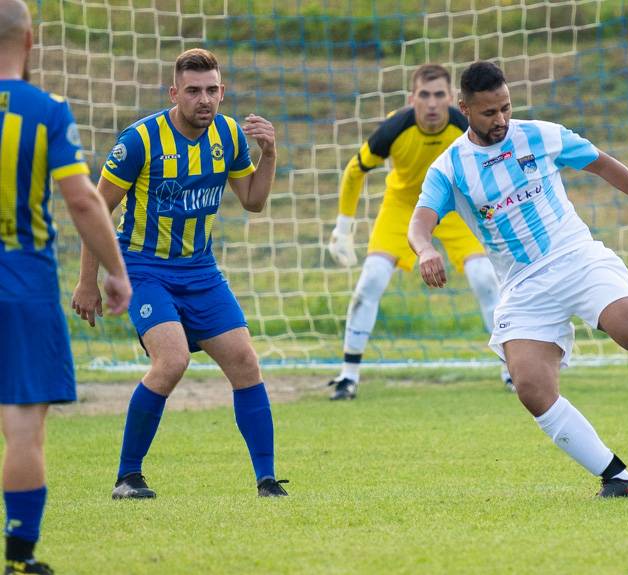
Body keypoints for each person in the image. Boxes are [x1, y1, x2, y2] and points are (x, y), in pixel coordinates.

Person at [408, 61, 628, 497]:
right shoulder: (449, 168)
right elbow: (420, 221)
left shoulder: (540, 134)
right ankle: (617, 478)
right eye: (489, 113)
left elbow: (604, 165)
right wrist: (426, 248)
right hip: (523, 287)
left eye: (506, 107)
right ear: (464, 108)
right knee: (530, 388)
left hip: (577, 257)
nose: (501, 119)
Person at [71, 49, 288, 499]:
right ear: (175, 93)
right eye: (193, 91)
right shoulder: (140, 141)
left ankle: (267, 481)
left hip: (201, 270)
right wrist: (87, 281)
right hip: (145, 268)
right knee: (171, 362)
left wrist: (269, 152)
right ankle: (127, 477)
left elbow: (252, 200)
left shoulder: (227, 135)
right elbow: (95, 209)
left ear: (222, 92)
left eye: (211, 90)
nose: (204, 100)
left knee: (246, 362)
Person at [0, 1, 132, 572]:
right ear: (30, 39)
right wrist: (114, 271)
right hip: (22, 280)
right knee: (23, 422)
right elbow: (81, 198)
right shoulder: (44, 110)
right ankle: (20, 554)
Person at [326, 63, 510, 400]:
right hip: (403, 207)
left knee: (485, 278)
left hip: (455, 208)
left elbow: (499, 161)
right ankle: (348, 376)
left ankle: (511, 368)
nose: (432, 104)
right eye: (424, 95)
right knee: (371, 282)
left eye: (439, 95)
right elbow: (355, 170)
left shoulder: (465, 124)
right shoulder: (395, 128)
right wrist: (343, 228)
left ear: (452, 99)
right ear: (412, 99)